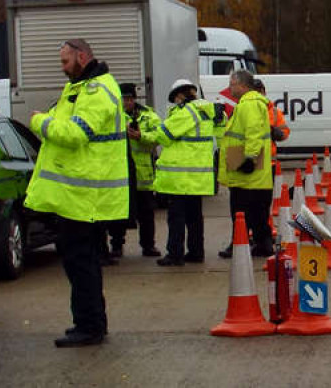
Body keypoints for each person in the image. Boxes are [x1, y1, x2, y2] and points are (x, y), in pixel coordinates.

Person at [25, 38, 128, 348]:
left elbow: (75, 134)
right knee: (80, 263)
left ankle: (90, 326)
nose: (63, 68)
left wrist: (39, 121)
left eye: (65, 61)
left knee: (81, 263)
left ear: (82, 57)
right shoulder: (82, 88)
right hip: (78, 196)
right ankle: (88, 322)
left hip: (85, 197)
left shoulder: (96, 91)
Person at [138, 79, 220, 266]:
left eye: (175, 98)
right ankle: (196, 252)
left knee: (176, 218)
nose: (175, 102)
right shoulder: (206, 112)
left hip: (181, 178)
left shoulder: (188, 112)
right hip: (197, 177)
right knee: (194, 218)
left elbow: (163, 135)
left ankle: (175, 254)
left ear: (181, 95)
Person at [217, 70, 274, 259]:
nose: (229, 87)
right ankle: (261, 244)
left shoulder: (249, 105)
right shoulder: (250, 104)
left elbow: (253, 133)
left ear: (242, 85)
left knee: (240, 212)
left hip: (247, 171)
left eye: (232, 84)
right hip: (250, 171)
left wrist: (249, 158)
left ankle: (239, 244)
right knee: (257, 211)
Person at [107, 83, 161, 259]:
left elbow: (158, 137)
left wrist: (140, 136)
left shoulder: (148, 116)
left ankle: (148, 245)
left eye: (129, 99)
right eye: (123, 99)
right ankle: (116, 245)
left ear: (134, 99)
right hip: (121, 175)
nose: (126, 102)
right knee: (119, 213)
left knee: (146, 214)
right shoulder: (114, 116)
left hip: (143, 175)